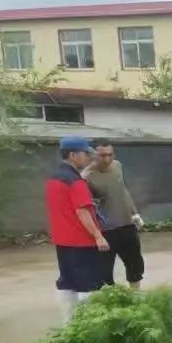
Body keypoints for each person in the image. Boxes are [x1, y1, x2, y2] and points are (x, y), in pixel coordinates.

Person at [44, 136, 109, 323]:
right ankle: (87, 325)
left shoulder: (53, 179)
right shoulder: (75, 182)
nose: (87, 158)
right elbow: (82, 211)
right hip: (81, 242)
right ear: (73, 155)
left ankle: (68, 325)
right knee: (88, 285)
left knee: (67, 282)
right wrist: (97, 236)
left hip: (62, 241)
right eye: (84, 154)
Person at [84, 140, 145, 289]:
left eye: (110, 155)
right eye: (102, 155)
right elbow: (84, 206)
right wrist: (95, 234)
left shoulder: (117, 166)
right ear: (93, 155)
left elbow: (123, 190)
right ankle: (108, 301)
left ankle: (136, 298)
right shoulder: (86, 176)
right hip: (105, 230)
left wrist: (134, 213)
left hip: (126, 224)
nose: (107, 159)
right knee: (104, 271)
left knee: (135, 264)